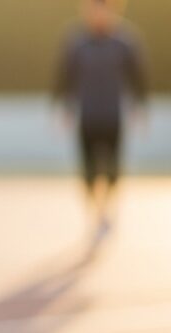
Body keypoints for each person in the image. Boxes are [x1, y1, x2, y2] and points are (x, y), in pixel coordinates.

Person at [54, 0, 148, 235]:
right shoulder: (76, 42)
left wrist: (140, 106)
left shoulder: (124, 41)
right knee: (89, 169)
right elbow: (64, 75)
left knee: (113, 167)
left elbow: (139, 75)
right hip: (87, 115)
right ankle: (97, 211)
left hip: (112, 115)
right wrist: (63, 106)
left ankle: (107, 207)